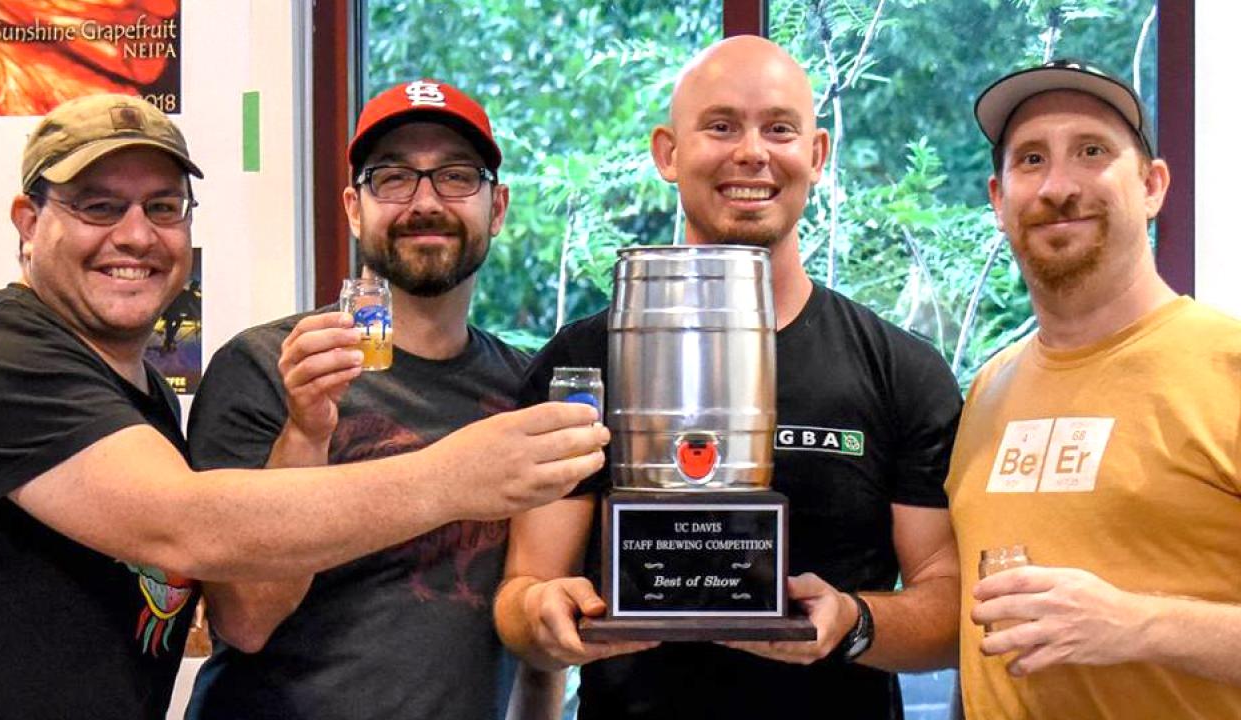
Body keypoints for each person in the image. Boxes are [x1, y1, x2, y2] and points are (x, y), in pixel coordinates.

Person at [0, 93, 607, 720]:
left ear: (498, 207)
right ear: (28, 221)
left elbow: (531, 625)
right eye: (99, 207)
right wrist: (447, 473)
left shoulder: (140, 394)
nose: (136, 236)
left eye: (163, 207)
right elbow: (194, 538)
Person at [494, 35, 963, 719]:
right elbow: (521, 592)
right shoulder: (582, 363)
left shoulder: (902, 371)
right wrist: (541, 613)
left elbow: (950, 607)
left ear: (818, 155)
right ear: (668, 153)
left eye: (779, 128)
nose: (751, 153)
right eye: (720, 126)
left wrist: (854, 620)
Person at [183, 79, 550, 720]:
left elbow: (536, 627)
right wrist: (306, 431)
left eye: (457, 177)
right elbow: (244, 618)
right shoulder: (268, 366)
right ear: (355, 208)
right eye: (393, 178)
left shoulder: (527, 392)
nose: (425, 202)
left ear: (497, 208)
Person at [947, 59, 1241, 718]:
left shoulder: (1228, 365)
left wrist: (1135, 624)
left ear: (1152, 185)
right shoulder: (989, 392)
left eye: (1091, 152)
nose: (1058, 186)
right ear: (998, 200)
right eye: (1030, 160)